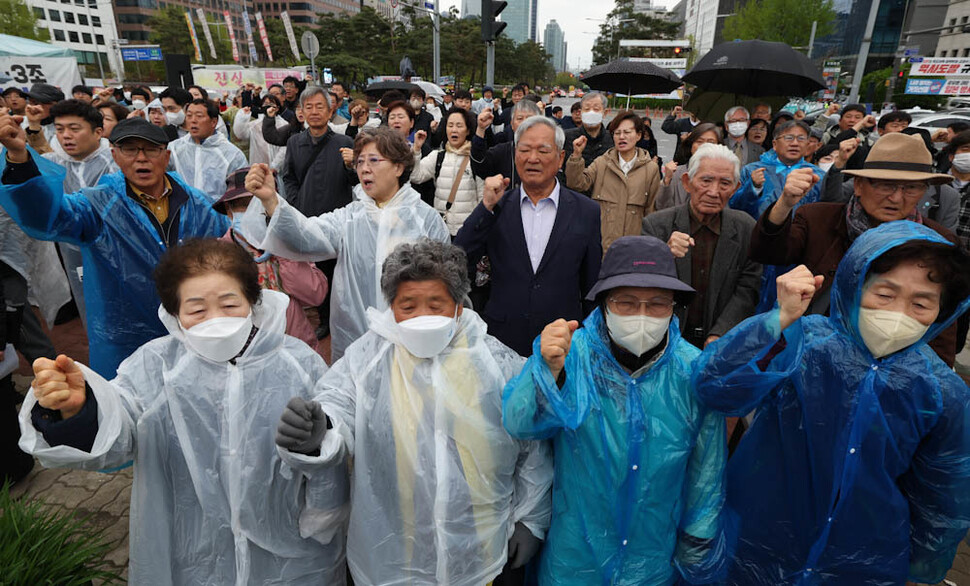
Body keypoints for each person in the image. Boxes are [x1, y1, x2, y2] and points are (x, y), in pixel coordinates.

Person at [19, 238, 348, 583]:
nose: (216, 319)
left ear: (254, 302)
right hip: (194, 552)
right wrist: (79, 410)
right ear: (174, 314)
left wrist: (319, 461)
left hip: (290, 551)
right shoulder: (157, 367)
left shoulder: (296, 362)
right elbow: (120, 429)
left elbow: (329, 448)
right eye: (197, 310)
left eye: (229, 303)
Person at [693, 223, 970, 585]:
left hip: (864, 558)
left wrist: (922, 565)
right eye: (884, 295)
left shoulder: (940, 390)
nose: (898, 314)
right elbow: (716, 386)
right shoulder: (803, 342)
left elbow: (942, 494)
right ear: (855, 287)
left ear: (942, 310)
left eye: (921, 303)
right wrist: (778, 320)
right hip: (761, 540)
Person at [275, 238, 552, 586]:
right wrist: (322, 431)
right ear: (391, 308)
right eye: (408, 306)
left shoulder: (494, 362)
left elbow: (531, 444)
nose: (422, 317)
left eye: (436, 305)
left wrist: (530, 518)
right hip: (392, 554)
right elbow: (337, 401)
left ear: (458, 306)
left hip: (479, 550)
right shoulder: (369, 358)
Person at [502, 235, 730, 585]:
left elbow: (707, 470)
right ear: (605, 303)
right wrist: (546, 372)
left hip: (652, 555)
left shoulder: (692, 370)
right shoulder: (571, 355)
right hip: (575, 556)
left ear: (674, 306)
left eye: (657, 304)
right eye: (626, 302)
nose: (642, 316)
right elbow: (520, 423)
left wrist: (697, 544)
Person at [0, 116, 228, 377]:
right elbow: (47, 216)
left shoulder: (197, 203)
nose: (141, 158)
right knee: (130, 409)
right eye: (130, 149)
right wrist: (19, 157)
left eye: (150, 149)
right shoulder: (97, 204)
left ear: (166, 156)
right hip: (126, 339)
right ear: (115, 156)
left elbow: (233, 241)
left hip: (193, 327)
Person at [748, 131, 962, 366]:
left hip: (891, 369)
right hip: (808, 356)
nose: (896, 198)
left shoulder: (938, 243)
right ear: (859, 185)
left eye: (910, 188)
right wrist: (785, 204)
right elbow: (767, 252)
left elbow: (944, 326)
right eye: (885, 185)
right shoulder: (818, 219)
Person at [241, 126, 449, 361]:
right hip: (359, 338)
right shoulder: (349, 218)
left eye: (374, 160)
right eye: (359, 162)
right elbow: (306, 234)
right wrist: (271, 200)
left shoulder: (426, 220)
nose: (364, 169)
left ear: (398, 167)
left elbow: (445, 284)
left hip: (414, 337)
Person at [454, 116, 602, 356]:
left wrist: (589, 339)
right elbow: (458, 257)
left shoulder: (587, 211)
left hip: (563, 340)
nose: (532, 158)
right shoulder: (498, 205)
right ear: (515, 155)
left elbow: (592, 284)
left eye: (543, 150)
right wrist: (485, 208)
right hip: (502, 339)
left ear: (561, 158)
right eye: (524, 150)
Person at [643, 144, 761, 349]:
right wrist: (664, 255)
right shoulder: (656, 225)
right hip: (665, 342)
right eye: (706, 180)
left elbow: (748, 289)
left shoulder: (745, 228)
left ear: (736, 188)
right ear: (687, 182)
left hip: (721, 342)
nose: (714, 192)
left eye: (725, 183)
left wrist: (720, 334)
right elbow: (641, 282)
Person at [214, 168, 327, 351]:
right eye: (242, 205)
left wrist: (282, 249)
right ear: (229, 211)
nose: (250, 213)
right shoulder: (217, 255)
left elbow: (315, 294)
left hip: (295, 346)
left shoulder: (291, 245)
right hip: (245, 353)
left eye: (257, 204)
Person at [39, 100, 120, 329]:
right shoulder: (52, 164)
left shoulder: (116, 162)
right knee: (88, 306)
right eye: (60, 129)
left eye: (74, 129)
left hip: (114, 250)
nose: (66, 136)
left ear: (98, 132)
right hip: (73, 253)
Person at [566, 110, 661, 249]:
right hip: (601, 247)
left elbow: (651, 211)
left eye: (627, 132)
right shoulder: (602, 163)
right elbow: (577, 183)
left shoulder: (651, 169)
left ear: (638, 135)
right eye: (617, 133)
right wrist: (576, 155)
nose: (621, 137)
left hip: (633, 248)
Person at [409, 108, 484, 236]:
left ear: (468, 130)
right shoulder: (438, 156)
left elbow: (483, 197)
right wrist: (416, 149)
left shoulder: (475, 159)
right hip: (442, 229)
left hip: (467, 231)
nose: (454, 129)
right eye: (450, 125)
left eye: (459, 125)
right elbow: (416, 176)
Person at [731, 119, 825, 219]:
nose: (795, 143)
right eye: (789, 138)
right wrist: (753, 188)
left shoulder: (817, 175)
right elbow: (735, 207)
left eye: (801, 138)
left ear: (807, 144)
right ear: (775, 144)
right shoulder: (752, 170)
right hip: (759, 231)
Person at [167, 99, 247, 202]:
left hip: (218, 215)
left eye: (199, 116)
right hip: (182, 214)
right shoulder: (174, 149)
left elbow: (240, 195)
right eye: (189, 115)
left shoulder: (232, 155)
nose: (193, 120)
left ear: (214, 122)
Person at [471, 99, 542, 189]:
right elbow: (479, 166)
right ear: (512, 124)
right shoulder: (501, 151)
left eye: (530, 118)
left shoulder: (548, 152)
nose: (525, 123)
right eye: (520, 118)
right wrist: (481, 129)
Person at [656, 123, 721, 210]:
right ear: (691, 146)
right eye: (699, 141)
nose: (704, 146)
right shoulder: (676, 173)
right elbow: (661, 207)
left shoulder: (724, 175)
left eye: (711, 142)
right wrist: (666, 181)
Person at [233, 94, 288, 167]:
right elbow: (241, 134)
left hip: (277, 169)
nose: (268, 106)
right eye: (265, 104)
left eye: (271, 104)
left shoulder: (284, 124)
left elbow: (284, 149)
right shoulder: (255, 124)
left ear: (277, 108)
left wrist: (275, 166)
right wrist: (243, 117)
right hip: (257, 166)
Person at [562, 92, 613, 169]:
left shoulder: (613, 139)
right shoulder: (567, 137)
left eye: (596, 109)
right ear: (581, 112)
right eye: (587, 109)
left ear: (605, 113)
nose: (591, 112)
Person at [22, 83, 65, 147]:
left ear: (56, 105)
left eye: (37, 103)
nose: (33, 107)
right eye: (30, 102)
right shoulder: (19, 123)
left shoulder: (65, 128)